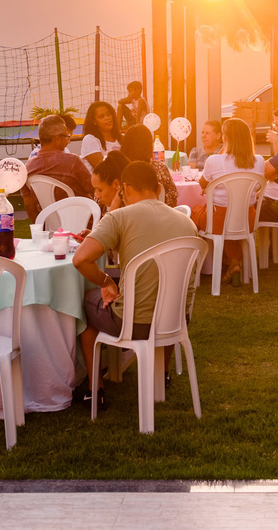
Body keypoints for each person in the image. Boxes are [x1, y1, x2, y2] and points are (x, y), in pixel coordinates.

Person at [70, 161, 198, 407]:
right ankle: (162, 373)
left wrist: (106, 281)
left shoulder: (119, 217)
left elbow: (81, 259)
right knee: (165, 296)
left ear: (124, 188)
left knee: (87, 300)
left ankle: (94, 389)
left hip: (135, 324)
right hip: (177, 320)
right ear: (158, 187)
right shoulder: (187, 223)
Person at [192, 117, 265, 285]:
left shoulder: (214, 160)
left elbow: (202, 184)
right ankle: (233, 262)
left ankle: (201, 269)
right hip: (247, 219)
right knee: (231, 216)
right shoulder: (259, 161)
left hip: (218, 221)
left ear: (226, 138)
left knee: (193, 212)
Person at [21, 114, 95, 222]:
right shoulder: (73, 162)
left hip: (50, 228)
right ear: (57, 139)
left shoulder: (27, 169)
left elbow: (29, 206)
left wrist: (42, 228)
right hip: (83, 224)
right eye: (67, 136)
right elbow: (94, 189)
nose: (68, 141)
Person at [121, 124, 179, 207]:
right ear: (149, 145)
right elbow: (172, 199)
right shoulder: (159, 168)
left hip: (128, 218)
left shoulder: (123, 170)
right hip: (161, 217)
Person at [80, 100, 121, 171]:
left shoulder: (122, 137)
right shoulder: (90, 139)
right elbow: (102, 169)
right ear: (94, 121)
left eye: (108, 114)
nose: (107, 118)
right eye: (101, 116)